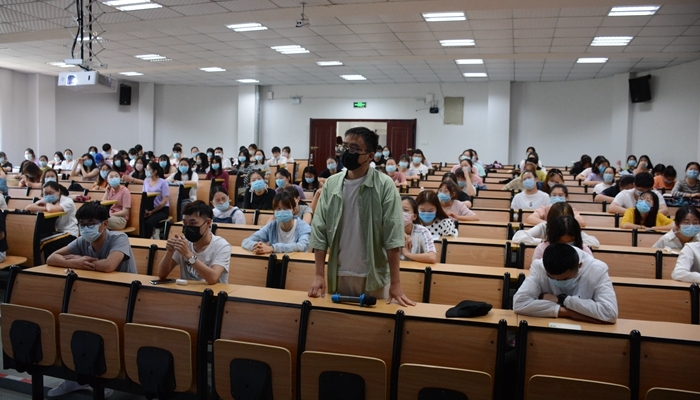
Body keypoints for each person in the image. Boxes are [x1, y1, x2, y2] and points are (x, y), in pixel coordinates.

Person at [308, 127, 415, 306]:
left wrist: (396, 283)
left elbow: (393, 236)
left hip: (374, 275)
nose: (347, 152)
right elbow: (320, 231)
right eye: (345, 147)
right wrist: (319, 275)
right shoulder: (331, 184)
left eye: (354, 148)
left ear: (370, 155)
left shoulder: (385, 185)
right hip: (338, 273)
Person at [513, 242, 618, 323]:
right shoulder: (539, 267)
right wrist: (569, 313)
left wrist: (562, 299)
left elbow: (610, 312)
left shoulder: (597, 270)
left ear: (579, 266)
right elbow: (520, 303)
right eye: (552, 278)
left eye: (565, 279)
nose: (558, 282)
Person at [157, 201, 230, 284]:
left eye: (193, 223)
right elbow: (161, 275)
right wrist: (169, 253)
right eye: (185, 223)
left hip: (213, 291)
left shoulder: (222, 246)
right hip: (188, 291)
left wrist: (188, 255)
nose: (188, 227)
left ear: (208, 222)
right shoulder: (183, 242)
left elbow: (213, 278)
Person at [242, 192, 311, 254]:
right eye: (278, 209)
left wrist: (273, 248)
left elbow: (302, 246)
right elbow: (246, 241)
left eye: (285, 208)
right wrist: (256, 246)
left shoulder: (303, 227)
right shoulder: (271, 226)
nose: (282, 211)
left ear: (293, 210)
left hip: (295, 262)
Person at [513, 202, 599, 249]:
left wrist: (573, 242)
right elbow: (518, 237)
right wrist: (544, 242)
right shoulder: (544, 226)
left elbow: (594, 243)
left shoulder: (572, 228)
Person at [26, 181, 78, 255]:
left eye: (50, 193)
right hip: (56, 232)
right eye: (45, 194)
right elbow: (29, 207)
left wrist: (47, 203)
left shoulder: (68, 201)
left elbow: (51, 209)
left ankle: (41, 262)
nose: (48, 196)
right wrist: (45, 208)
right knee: (35, 239)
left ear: (58, 191)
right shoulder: (47, 200)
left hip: (69, 233)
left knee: (42, 243)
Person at [400, 196, 437, 264]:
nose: (400, 213)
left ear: (414, 216)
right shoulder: (387, 231)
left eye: (405, 210)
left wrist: (407, 254)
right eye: (397, 210)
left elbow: (432, 257)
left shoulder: (422, 231)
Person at [143, 161, 170, 239]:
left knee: (148, 223)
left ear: (155, 171)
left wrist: (153, 211)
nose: (146, 171)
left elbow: (164, 201)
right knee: (140, 221)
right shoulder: (146, 181)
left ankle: (149, 240)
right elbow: (143, 197)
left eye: (148, 170)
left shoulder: (163, 182)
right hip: (149, 208)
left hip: (161, 209)